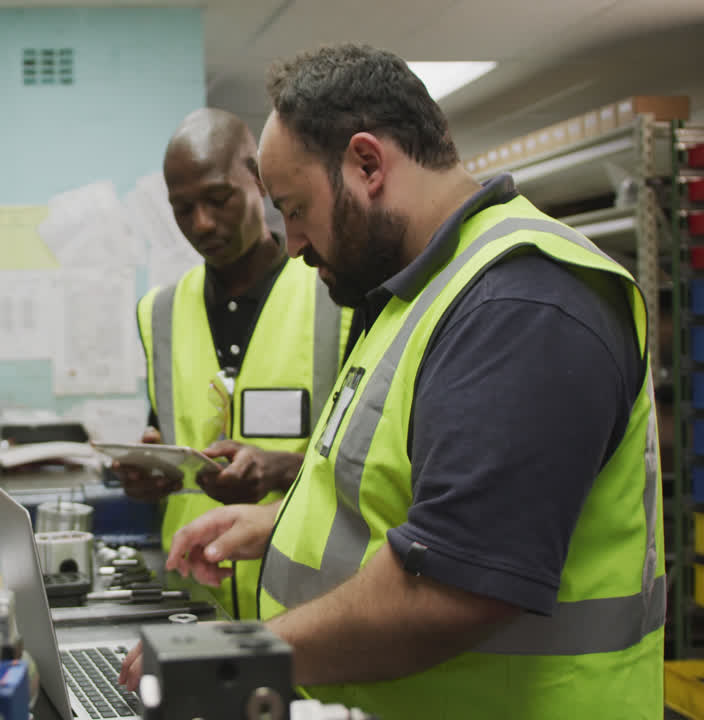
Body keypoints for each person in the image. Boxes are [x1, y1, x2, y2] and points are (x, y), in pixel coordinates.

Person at [119, 44, 663, 719]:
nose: (290, 243)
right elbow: (396, 500)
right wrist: (275, 526)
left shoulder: (520, 304)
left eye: (294, 209)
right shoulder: (411, 293)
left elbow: (446, 591)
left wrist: (231, 653)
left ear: (368, 165)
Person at [117, 108, 350, 621]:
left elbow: (371, 461)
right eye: (183, 209)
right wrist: (149, 475)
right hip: (191, 602)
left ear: (260, 181)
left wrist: (284, 468)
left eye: (219, 199)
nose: (202, 223)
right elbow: (170, 432)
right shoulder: (158, 313)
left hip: (307, 601)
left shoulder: (337, 297)